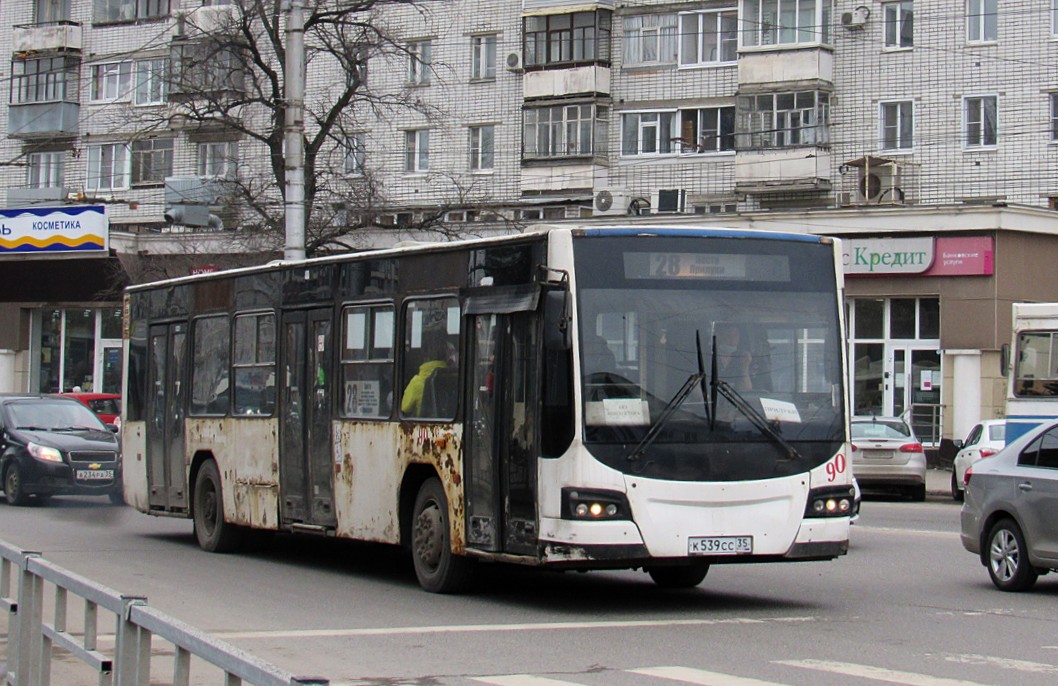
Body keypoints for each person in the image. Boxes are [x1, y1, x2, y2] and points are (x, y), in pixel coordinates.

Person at [401, 339, 449, 416]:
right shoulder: (452, 377)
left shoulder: (417, 382)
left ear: (425, 357)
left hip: (422, 425)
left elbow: (405, 408)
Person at [715, 324, 753, 391]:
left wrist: (745, 368)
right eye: (728, 336)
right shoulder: (707, 359)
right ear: (719, 337)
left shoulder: (740, 360)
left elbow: (747, 389)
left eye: (735, 336)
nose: (732, 341)